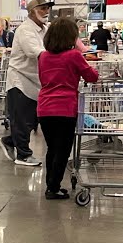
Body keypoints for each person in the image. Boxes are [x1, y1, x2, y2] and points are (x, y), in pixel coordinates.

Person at [36, 17, 98, 199]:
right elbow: (91, 76)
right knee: (62, 150)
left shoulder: (43, 56)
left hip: (45, 107)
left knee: (52, 148)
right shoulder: (74, 55)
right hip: (65, 108)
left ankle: (51, 186)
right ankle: (53, 188)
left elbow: (43, 78)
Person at [0, 0, 53, 166]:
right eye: (42, 8)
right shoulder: (25, 30)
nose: (46, 11)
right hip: (20, 79)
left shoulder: (45, 29)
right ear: (31, 11)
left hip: (36, 80)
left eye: (47, 8)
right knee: (22, 119)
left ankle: (10, 141)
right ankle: (23, 155)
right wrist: (59, 58)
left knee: (32, 119)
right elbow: (33, 52)